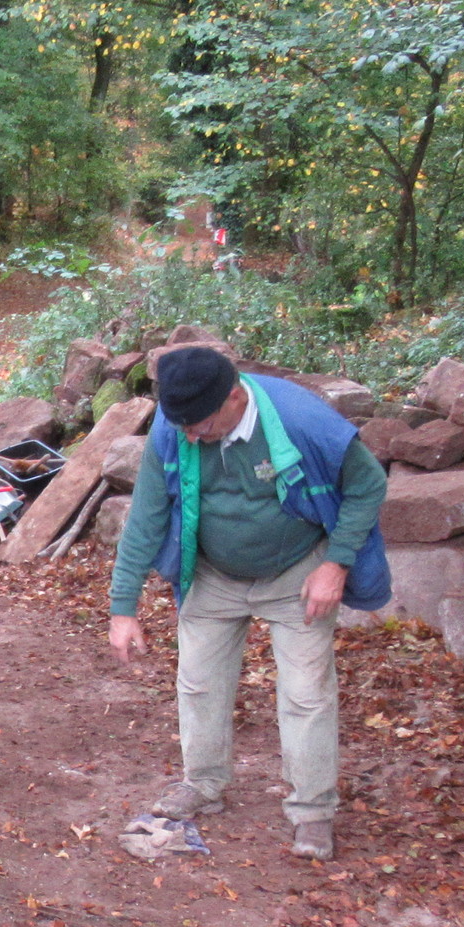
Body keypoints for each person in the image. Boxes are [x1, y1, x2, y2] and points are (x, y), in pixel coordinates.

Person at [106, 346, 391, 861]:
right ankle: (204, 783)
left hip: (297, 569)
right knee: (198, 682)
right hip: (213, 571)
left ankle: (312, 811)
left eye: (202, 427)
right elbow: (147, 515)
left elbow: (368, 484)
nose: (191, 438)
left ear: (236, 397)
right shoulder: (179, 425)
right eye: (183, 428)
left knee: (306, 693)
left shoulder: (303, 421)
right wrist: (123, 607)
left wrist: (337, 563)